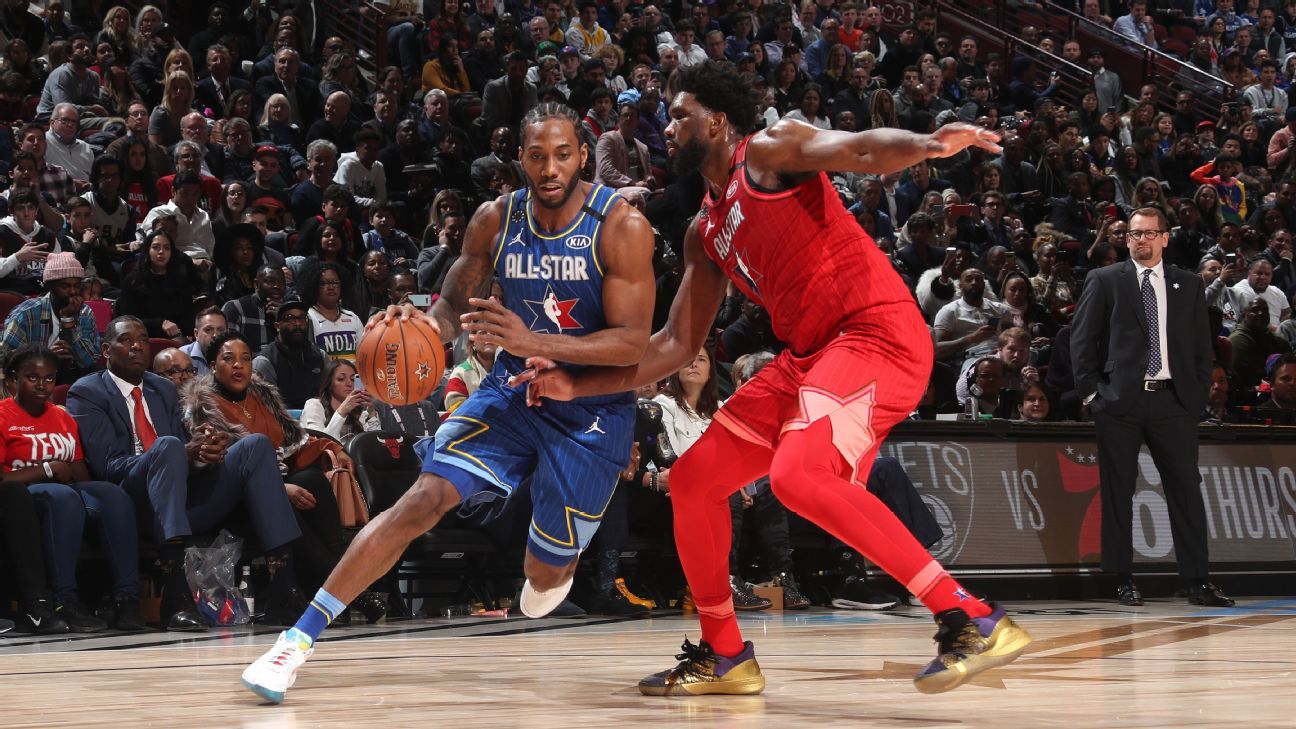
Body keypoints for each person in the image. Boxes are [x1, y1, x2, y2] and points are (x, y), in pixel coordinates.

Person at [518, 59, 1030, 696]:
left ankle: (969, 615)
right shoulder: (705, 233)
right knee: (696, 480)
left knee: (796, 476)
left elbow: (861, 150)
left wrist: (927, 144)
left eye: (679, 115)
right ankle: (726, 653)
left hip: (875, 333)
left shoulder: (768, 150)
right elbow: (676, 346)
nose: (668, 128)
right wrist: (575, 380)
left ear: (719, 119)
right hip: (810, 353)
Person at [241, 102, 657, 703]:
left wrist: (530, 339)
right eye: (536, 156)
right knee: (422, 499)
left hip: (592, 410)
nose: (549, 168)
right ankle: (295, 641)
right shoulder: (495, 219)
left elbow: (632, 343)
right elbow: (447, 309)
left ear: (583, 155)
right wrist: (414, 326)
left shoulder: (620, 226)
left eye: (562, 154)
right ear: (519, 157)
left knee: (542, 579)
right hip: (512, 394)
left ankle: (554, 565)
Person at [67, 316, 305, 631]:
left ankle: (284, 589)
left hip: (183, 498)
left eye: (142, 339)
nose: (137, 345)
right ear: (106, 349)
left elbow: (185, 454)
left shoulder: (163, 388)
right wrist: (179, 451)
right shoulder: (87, 392)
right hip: (133, 505)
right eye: (127, 340)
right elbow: (108, 467)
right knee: (166, 446)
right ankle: (176, 595)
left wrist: (205, 451)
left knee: (256, 446)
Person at [1071, 206, 1234, 609]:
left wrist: (1194, 397)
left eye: (1148, 233)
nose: (1140, 239)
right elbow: (1082, 341)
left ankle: (1197, 579)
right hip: (1120, 403)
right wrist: (1094, 396)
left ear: (1165, 237)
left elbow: (1201, 347)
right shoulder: (1105, 279)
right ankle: (1123, 578)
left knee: (1186, 491)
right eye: (1133, 234)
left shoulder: (1189, 284)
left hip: (1173, 402)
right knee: (1118, 491)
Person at [180, 332, 356, 617]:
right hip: (230, 496)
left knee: (312, 481)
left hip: (274, 484)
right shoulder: (201, 406)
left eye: (245, 359)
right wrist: (279, 488)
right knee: (282, 495)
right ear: (212, 365)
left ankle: (320, 591)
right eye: (229, 359)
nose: (238, 365)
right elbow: (217, 465)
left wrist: (333, 448)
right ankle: (340, 588)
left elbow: (295, 443)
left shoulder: (261, 396)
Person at [0, 344, 145, 633]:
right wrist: (48, 468)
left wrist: (73, 478)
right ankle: (64, 600)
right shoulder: (3, 415)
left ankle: (127, 599)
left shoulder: (62, 416)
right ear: (13, 380)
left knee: (113, 495)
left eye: (50, 378)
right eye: (32, 377)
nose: (42, 385)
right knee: (64, 497)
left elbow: (78, 470)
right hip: (22, 496)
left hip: (64, 488)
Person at [1, 252, 99, 385]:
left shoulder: (85, 312)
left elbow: (90, 361)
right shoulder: (26, 313)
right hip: (32, 379)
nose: (72, 292)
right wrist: (45, 357)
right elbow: (5, 358)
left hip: (73, 378)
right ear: (49, 287)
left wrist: (68, 321)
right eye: (65, 286)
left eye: (76, 286)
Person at [252, 299, 330, 410]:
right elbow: (264, 409)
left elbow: (329, 397)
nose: (297, 324)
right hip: (283, 423)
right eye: (289, 318)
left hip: (319, 421)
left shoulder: (320, 356)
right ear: (277, 326)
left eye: (302, 318)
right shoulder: (264, 362)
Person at [300, 359, 379, 439]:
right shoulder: (314, 405)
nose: (349, 384)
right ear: (329, 384)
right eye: (341, 379)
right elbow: (320, 445)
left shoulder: (359, 409)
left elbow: (376, 443)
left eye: (353, 379)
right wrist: (341, 412)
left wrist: (371, 412)